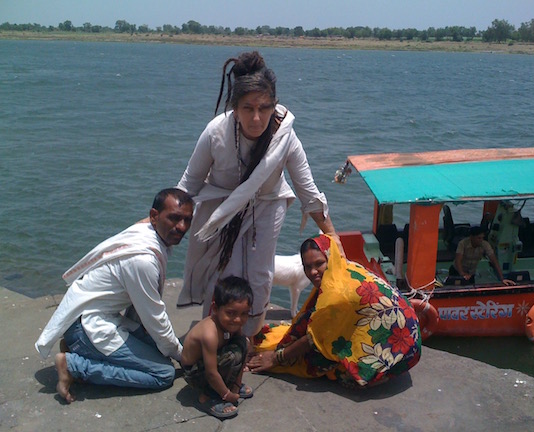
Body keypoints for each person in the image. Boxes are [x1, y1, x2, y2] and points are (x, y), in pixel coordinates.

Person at [176, 51, 342, 337]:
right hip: (222, 208)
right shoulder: (216, 132)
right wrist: (157, 224)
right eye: (248, 108)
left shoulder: (285, 136)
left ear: (274, 105)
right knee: (222, 273)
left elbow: (308, 192)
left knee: (260, 276)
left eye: (264, 108)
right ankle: (214, 336)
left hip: (267, 205)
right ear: (234, 108)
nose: (256, 118)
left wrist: (333, 236)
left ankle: (249, 338)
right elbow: (188, 185)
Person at [35, 188, 194, 403]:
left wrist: (172, 349)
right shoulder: (142, 260)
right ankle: (74, 366)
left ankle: (79, 349)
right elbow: (154, 318)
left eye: (187, 220)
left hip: (86, 316)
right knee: (163, 373)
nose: (182, 227)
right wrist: (181, 355)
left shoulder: (145, 230)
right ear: (154, 216)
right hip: (89, 325)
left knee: (160, 349)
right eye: (174, 218)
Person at [246, 234, 421, 389]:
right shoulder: (345, 267)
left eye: (319, 264)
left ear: (330, 258)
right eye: (307, 266)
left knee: (325, 366)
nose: (313, 272)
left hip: (403, 351)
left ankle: (379, 373)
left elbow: (314, 338)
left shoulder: (337, 294)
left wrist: (276, 358)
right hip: (406, 330)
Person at [181, 276, 253, 419]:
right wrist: (227, 395)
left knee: (245, 343)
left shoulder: (232, 325)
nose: (237, 319)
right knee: (231, 356)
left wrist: (236, 385)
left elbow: (243, 348)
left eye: (244, 314)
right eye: (230, 313)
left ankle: (229, 383)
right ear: (215, 308)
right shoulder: (210, 334)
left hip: (212, 362)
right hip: (194, 372)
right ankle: (207, 396)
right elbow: (211, 373)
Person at [449, 226, 516, 286]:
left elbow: (494, 261)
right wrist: (462, 274)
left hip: (471, 273)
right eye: (479, 238)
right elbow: (458, 260)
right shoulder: (463, 243)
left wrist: (502, 278)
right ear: (471, 237)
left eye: (482, 238)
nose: (481, 240)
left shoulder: (485, 244)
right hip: (457, 271)